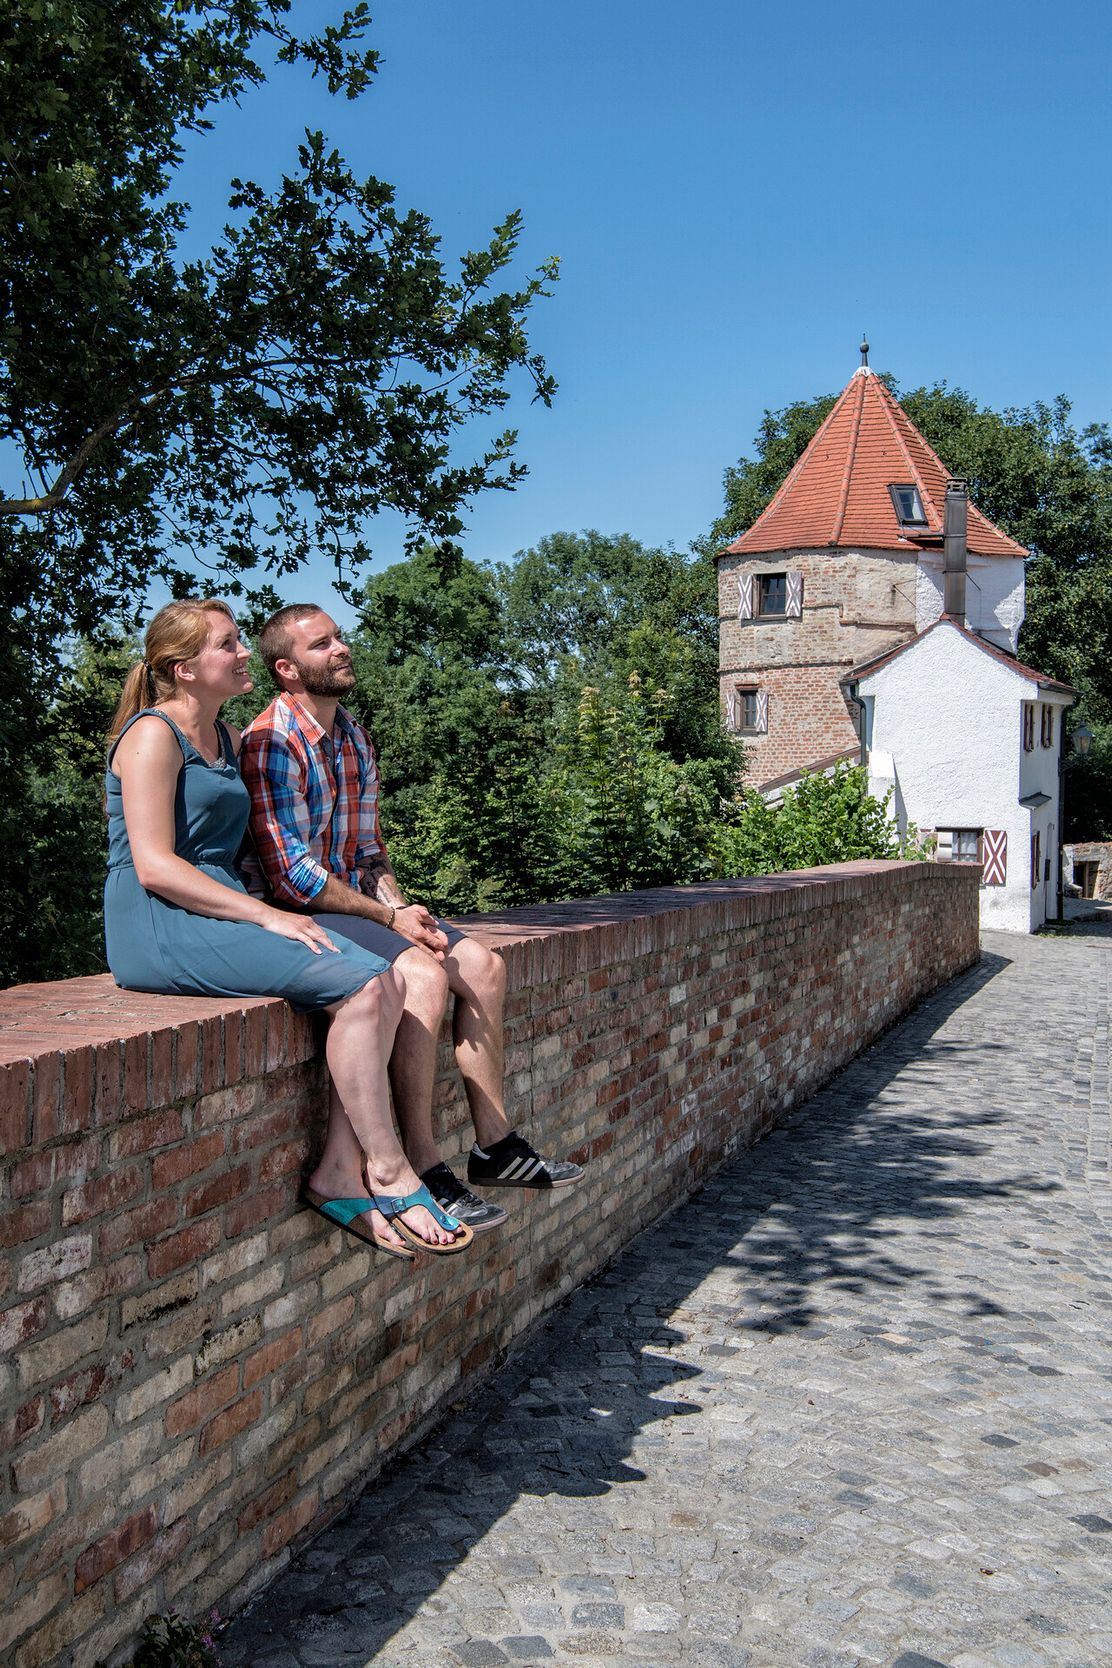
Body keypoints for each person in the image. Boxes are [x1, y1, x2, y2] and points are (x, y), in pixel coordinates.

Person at [104, 598, 472, 1260]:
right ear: (184, 668)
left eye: (241, 641)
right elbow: (155, 866)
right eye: (227, 644)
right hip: (159, 924)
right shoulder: (152, 734)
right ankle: (386, 1168)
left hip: (217, 906)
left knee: (379, 975)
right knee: (360, 987)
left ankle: (339, 1168)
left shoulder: (226, 738)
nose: (244, 653)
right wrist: (268, 915)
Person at [239, 603, 584, 1228]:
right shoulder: (271, 743)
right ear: (286, 669)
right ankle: (425, 1167)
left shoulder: (351, 735)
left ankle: (495, 1146)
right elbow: (292, 876)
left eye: (340, 638)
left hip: (359, 903)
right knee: (422, 979)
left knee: (480, 965)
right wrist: (387, 918)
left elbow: (369, 850)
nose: (342, 648)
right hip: (294, 911)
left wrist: (401, 908)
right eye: (323, 645)